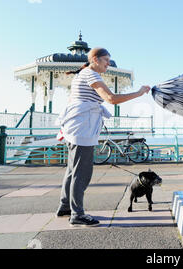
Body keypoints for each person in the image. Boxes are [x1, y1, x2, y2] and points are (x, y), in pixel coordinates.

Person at [55, 47, 150, 227]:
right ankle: (77, 214)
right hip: (82, 129)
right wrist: (138, 93)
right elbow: (111, 98)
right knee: (82, 173)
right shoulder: (91, 74)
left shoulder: (82, 74)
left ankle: (65, 206)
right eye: (106, 60)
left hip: (75, 128)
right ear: (95, 59)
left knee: (71, 171)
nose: (108, 64)